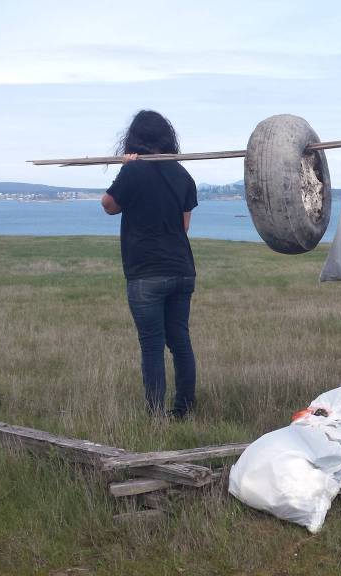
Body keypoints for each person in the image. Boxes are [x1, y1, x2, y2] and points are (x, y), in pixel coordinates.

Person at [101, 110, 199, 419]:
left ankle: (155, 415)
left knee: (152, 345)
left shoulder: (134, 171)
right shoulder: (183, 175)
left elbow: (109, 206)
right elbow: (184, 226)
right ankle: (184, 408)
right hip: (182, 269)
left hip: (146, 273)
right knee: (179, 340)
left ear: (135, 139)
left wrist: (125, 169)